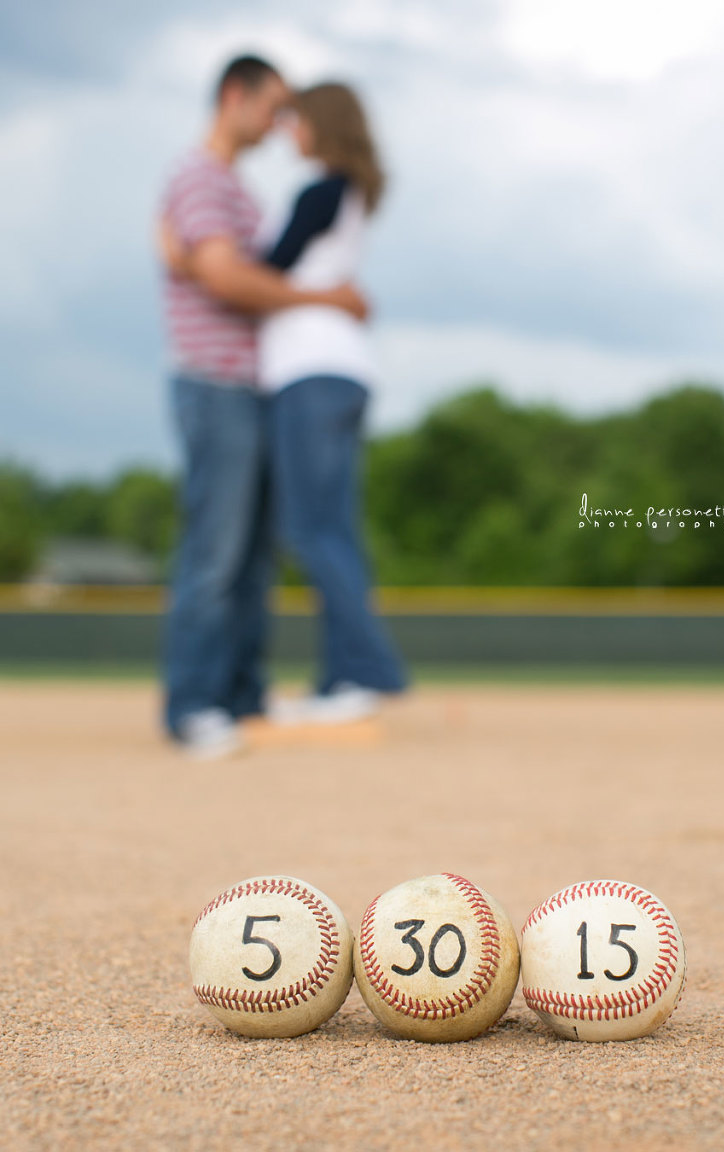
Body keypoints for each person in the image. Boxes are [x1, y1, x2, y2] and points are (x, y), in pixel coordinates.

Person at [158, 56, 367, 757]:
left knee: (252, 559)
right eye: (273, 107)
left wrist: (203, 265)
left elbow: (241, 271)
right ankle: (193, 705)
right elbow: (228, 279)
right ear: (233, 95)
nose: (281, 123)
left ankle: (240, 695)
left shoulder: (238, 189)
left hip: (257, 387)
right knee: (216, 552)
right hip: (215, 381)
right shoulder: (199, 176)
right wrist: (329, 299)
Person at [258, 83, 407, 723]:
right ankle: (343, 679)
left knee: (309, 529)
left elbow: (265, 270)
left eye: (296, 121)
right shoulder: (350, 194)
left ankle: (367, 669)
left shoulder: (320, 191)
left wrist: (195, 256)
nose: (289, 132)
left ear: (320, 123)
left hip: (310, 370)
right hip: (345, 370)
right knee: (334, 532)